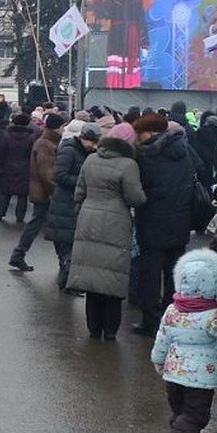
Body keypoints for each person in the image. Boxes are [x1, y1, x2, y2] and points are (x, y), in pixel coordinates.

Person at [68, 122, 146, 339]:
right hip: (116, 222)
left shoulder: (91, 159)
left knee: (91, 279)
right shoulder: (129, 165)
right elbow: (135, 198)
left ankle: (93, 330)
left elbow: (79, 191)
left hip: (88, 218)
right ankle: (110, 333)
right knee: (113, 279)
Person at [150, 249, 217, 433]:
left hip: (173, 374)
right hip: (200, 379)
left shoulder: (172, 310)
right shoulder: (213, 315)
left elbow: (162, 337)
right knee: (196, 415)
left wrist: (158, 360)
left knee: (180, 411)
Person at [131, 114, 198, 336]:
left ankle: (150, 322)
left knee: (149, 276)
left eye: (138, 134)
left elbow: (140, 191)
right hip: (180, 221)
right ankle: (171, 319)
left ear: (149, 133)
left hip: (152, 222)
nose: (136, 139)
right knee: (173, 274)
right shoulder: (184, 152)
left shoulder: (147, 156)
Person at [45, 123, 101, 291]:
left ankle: (66, 281)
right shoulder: (69, 150)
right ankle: (68, 283)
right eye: (91, 142)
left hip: (72, 204)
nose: (94, 145)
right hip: (65, 203)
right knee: (67, 246)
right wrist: (83, 182)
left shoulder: (85, 152)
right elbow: (60, 175)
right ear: (83, 139)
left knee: (69, 247)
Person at [8, 112, 65, 272]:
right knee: (46, 225)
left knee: (40, 224)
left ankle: (19, 255)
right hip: (45, 193)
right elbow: (47, 173)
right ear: (56, 127)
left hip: (41, 191)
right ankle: (19, 255)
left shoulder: (46, 141)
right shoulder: (46, 144)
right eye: (62, 126)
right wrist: (54, 192)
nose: (64, 129)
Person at [89, 0, 149, 88]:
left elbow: (142, 23)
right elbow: (101, 15)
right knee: (116, 69)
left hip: (132, 38)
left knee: (130, 69)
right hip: (116, 38)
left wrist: (144, 44)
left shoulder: (136, 0)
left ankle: (131, 92)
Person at [0, 113, 37, 224]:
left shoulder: (6, 136)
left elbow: (0, 153)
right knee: (22, 195)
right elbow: (33, 154)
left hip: (8, 167)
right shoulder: (31, 138)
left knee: (5, 192)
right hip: (25, 168)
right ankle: (20, 217)